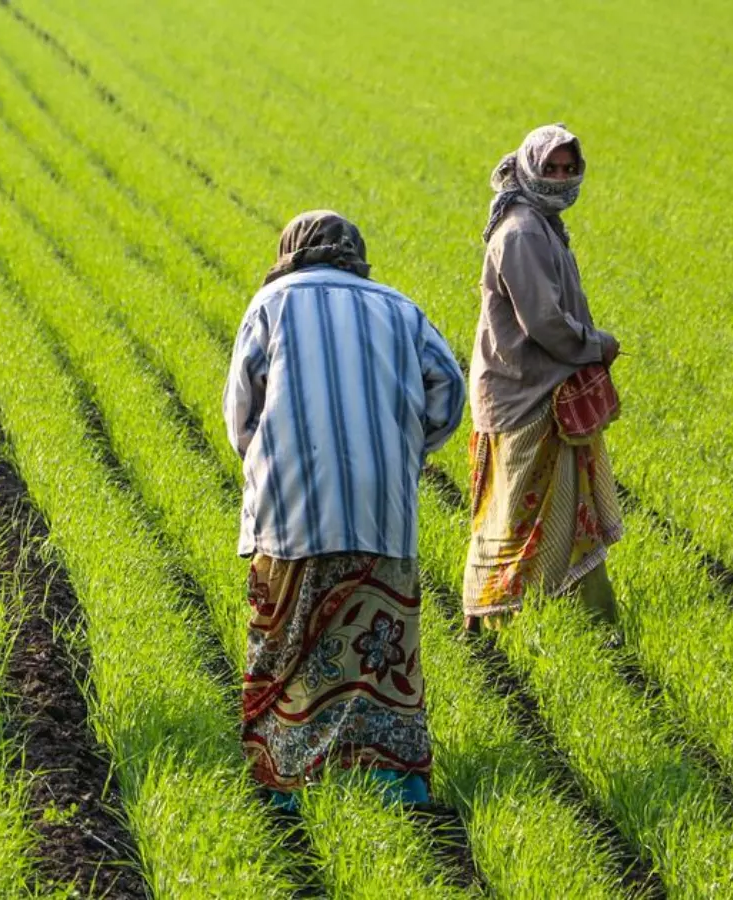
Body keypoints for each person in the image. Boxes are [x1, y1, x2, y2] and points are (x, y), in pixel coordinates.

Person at [223, 210, 464, 808]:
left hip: (292, 508)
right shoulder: (399, 308)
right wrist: (404, 446)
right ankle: (391, 781)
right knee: (376, 649)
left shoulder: (271, 303)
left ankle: (286, 781)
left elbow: (238, 415)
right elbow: (450, 391)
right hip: (382, 509)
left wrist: (267, 456)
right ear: (354, 253)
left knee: (289, 643)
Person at [462, 124, 623, 637]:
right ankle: (491, 615)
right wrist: (596, 343)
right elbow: (544, 323)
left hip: (537, 390)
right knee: (515, 518)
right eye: (550, 167)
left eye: (567, 168)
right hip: (527, 394)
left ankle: (589, 620)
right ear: (529, 166)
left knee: (563, 512)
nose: (559, 178)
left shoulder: (540, 221)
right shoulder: (526, 231)